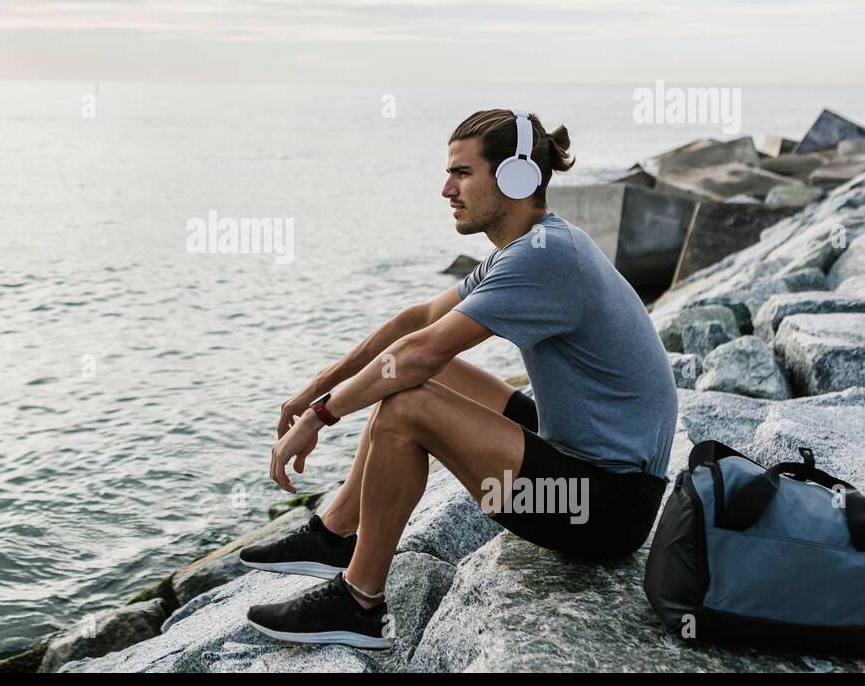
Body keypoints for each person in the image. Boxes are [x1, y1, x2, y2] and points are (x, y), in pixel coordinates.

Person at [242, 108, 678, 650]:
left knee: (406, 403)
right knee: (418, 372)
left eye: (462, 173)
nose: (447, 189)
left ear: (516, 177)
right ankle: (332, 536)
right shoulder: (533, 244)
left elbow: (419, 353)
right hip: (585, 463)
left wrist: (319, 417)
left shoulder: (544, 259)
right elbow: (417, 322)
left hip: (604, 507)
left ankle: (359, 602)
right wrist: (314, 387)